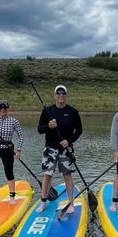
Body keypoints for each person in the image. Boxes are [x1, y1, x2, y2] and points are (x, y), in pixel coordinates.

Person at [37, 84, 83, 213]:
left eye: (63, 93)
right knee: (47, 175)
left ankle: (71, 203)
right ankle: (43, 202)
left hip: (65, 150)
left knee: (67, 175)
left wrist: (69, 141)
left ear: (66, 96)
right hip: (50, 148)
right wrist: (48, 126)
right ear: (55, 96)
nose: (61, 96)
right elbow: (39, 130)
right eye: (58, 93)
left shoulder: (73, 112)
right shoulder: (47, 111)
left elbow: (79, 131)